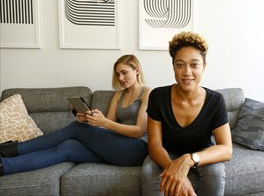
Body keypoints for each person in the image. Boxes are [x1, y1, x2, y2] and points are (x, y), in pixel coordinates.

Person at [0, 54, 151, 176]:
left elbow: (138, 131)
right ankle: (5, 165)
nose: (120, 78)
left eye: (124, 73)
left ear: (136, 70)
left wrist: (104, 122)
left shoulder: (148, 93)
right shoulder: (119, 95)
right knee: (67, 148)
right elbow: (107, 128)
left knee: (76, 128)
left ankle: (12, 148)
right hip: (115, 147)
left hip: (135, 149)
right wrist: (90, 120)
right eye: (118, 74)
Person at [141, 32, 233, 196]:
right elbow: (154, 145)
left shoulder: (215, 100)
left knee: (216, 172)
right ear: (173, 67)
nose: (187, 71)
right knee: (149, 170)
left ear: (204, 66)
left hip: (200, 153)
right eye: (180, 64)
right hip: (166, 153)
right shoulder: (158, 96)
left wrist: (189, 160)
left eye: (194, 65)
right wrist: (176, 172)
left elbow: (226, 149)